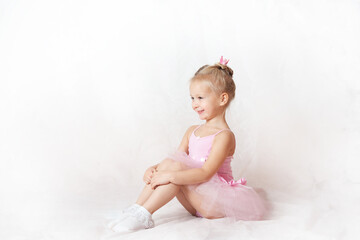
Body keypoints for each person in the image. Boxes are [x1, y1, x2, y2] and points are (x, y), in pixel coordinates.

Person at [107, 56, 268, 233]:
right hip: (194, 200)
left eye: (200, 98)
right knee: (172, 163)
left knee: (174, 170)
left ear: (222, 99)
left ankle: (144, 213)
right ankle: (136, 209)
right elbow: (174, 159)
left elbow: (205, 173)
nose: (194, 104)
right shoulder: (192, 130)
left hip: (214, 202)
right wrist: (155, 168)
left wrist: (170, 176)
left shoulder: (224, 136)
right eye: (192, 98)